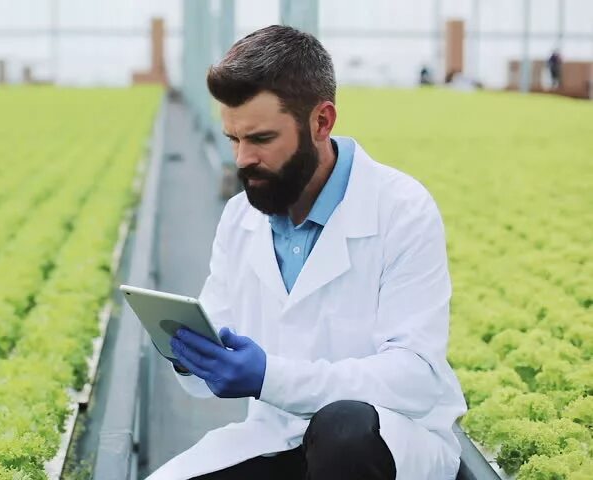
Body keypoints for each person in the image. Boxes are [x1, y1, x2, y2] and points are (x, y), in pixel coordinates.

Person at [146, 25, 467, 480]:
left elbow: (413, 378)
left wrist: (267, 377)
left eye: (260, 139)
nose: (241, 160)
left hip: (385, 441)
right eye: (233, 139)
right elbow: (215, 345)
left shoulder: (401, 209)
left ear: (321, 121)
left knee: (344, 430)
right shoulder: (241, 217)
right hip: (278, 435)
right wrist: (192, 355)